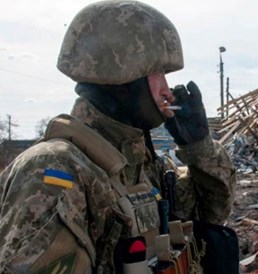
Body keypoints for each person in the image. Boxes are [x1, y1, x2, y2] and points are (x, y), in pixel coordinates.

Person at [0, 0, 236, 273]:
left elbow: (213, 213)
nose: (167, 91)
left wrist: (199, 145)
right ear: (121, 73)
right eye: (157, 73)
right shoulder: (54, 171)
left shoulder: (143, 168)